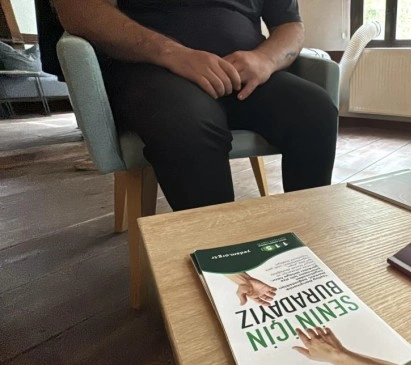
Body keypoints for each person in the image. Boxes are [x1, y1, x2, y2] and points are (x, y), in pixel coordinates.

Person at [52, 0, 338, 211]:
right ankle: (220, 258)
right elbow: (77, 9)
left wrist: (265, 59)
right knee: (187, 126)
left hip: (243, 72)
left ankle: (306, 245)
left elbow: (290, 24)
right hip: (154, 69)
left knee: (315, 111)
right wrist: (172, 53)